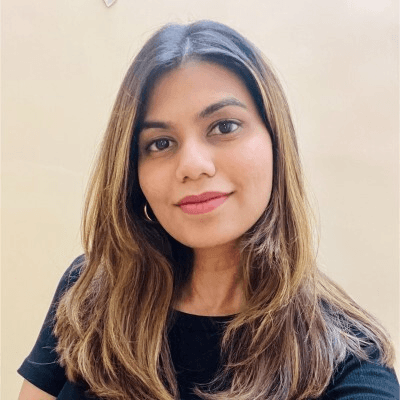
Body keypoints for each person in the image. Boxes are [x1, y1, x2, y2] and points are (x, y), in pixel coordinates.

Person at [18, 20, 399, 400]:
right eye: (160, 143)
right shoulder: (91, 288)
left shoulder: (349, 359)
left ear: (276, 142)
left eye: (225, 126)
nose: (192, 165)